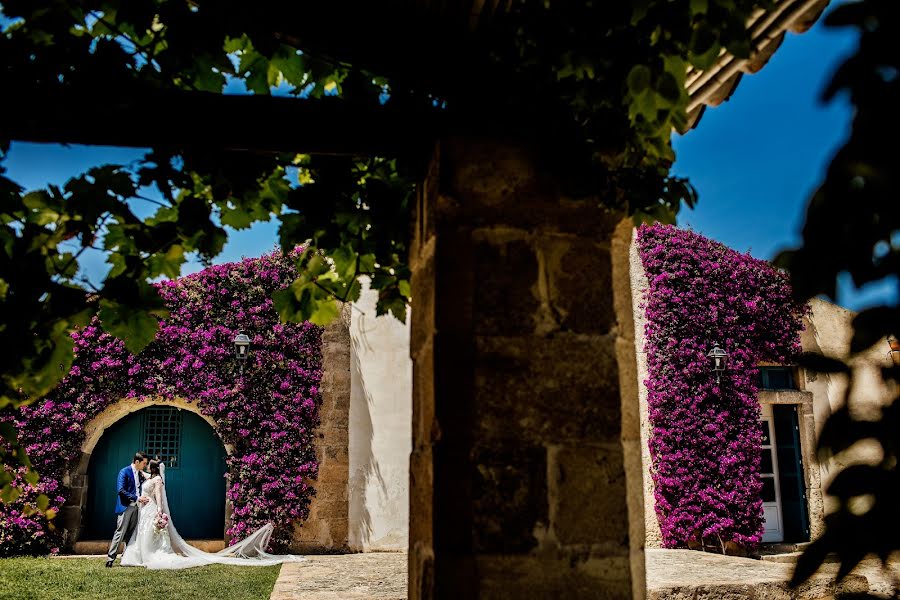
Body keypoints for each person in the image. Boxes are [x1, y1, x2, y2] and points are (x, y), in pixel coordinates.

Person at [118, 459, 304, 569]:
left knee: (153, 534)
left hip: (152, 509)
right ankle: (141, 554)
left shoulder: (157, 479)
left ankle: (153, 554)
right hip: (145, 510)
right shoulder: (149, 477)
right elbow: (140, 475)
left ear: (152, 468)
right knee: (143, 533)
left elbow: (158, 496)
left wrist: (160, 511)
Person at [106, 451, 150, 567]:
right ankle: (110, 559)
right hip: (126, 507)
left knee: (131, 534)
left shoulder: (140, 473)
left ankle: (126, 557)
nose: (145, 466)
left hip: (136, 508)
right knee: (120, 533)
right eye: (143, 463)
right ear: (137, 462)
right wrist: (137, 498)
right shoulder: (124, 472)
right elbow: (120, 490)